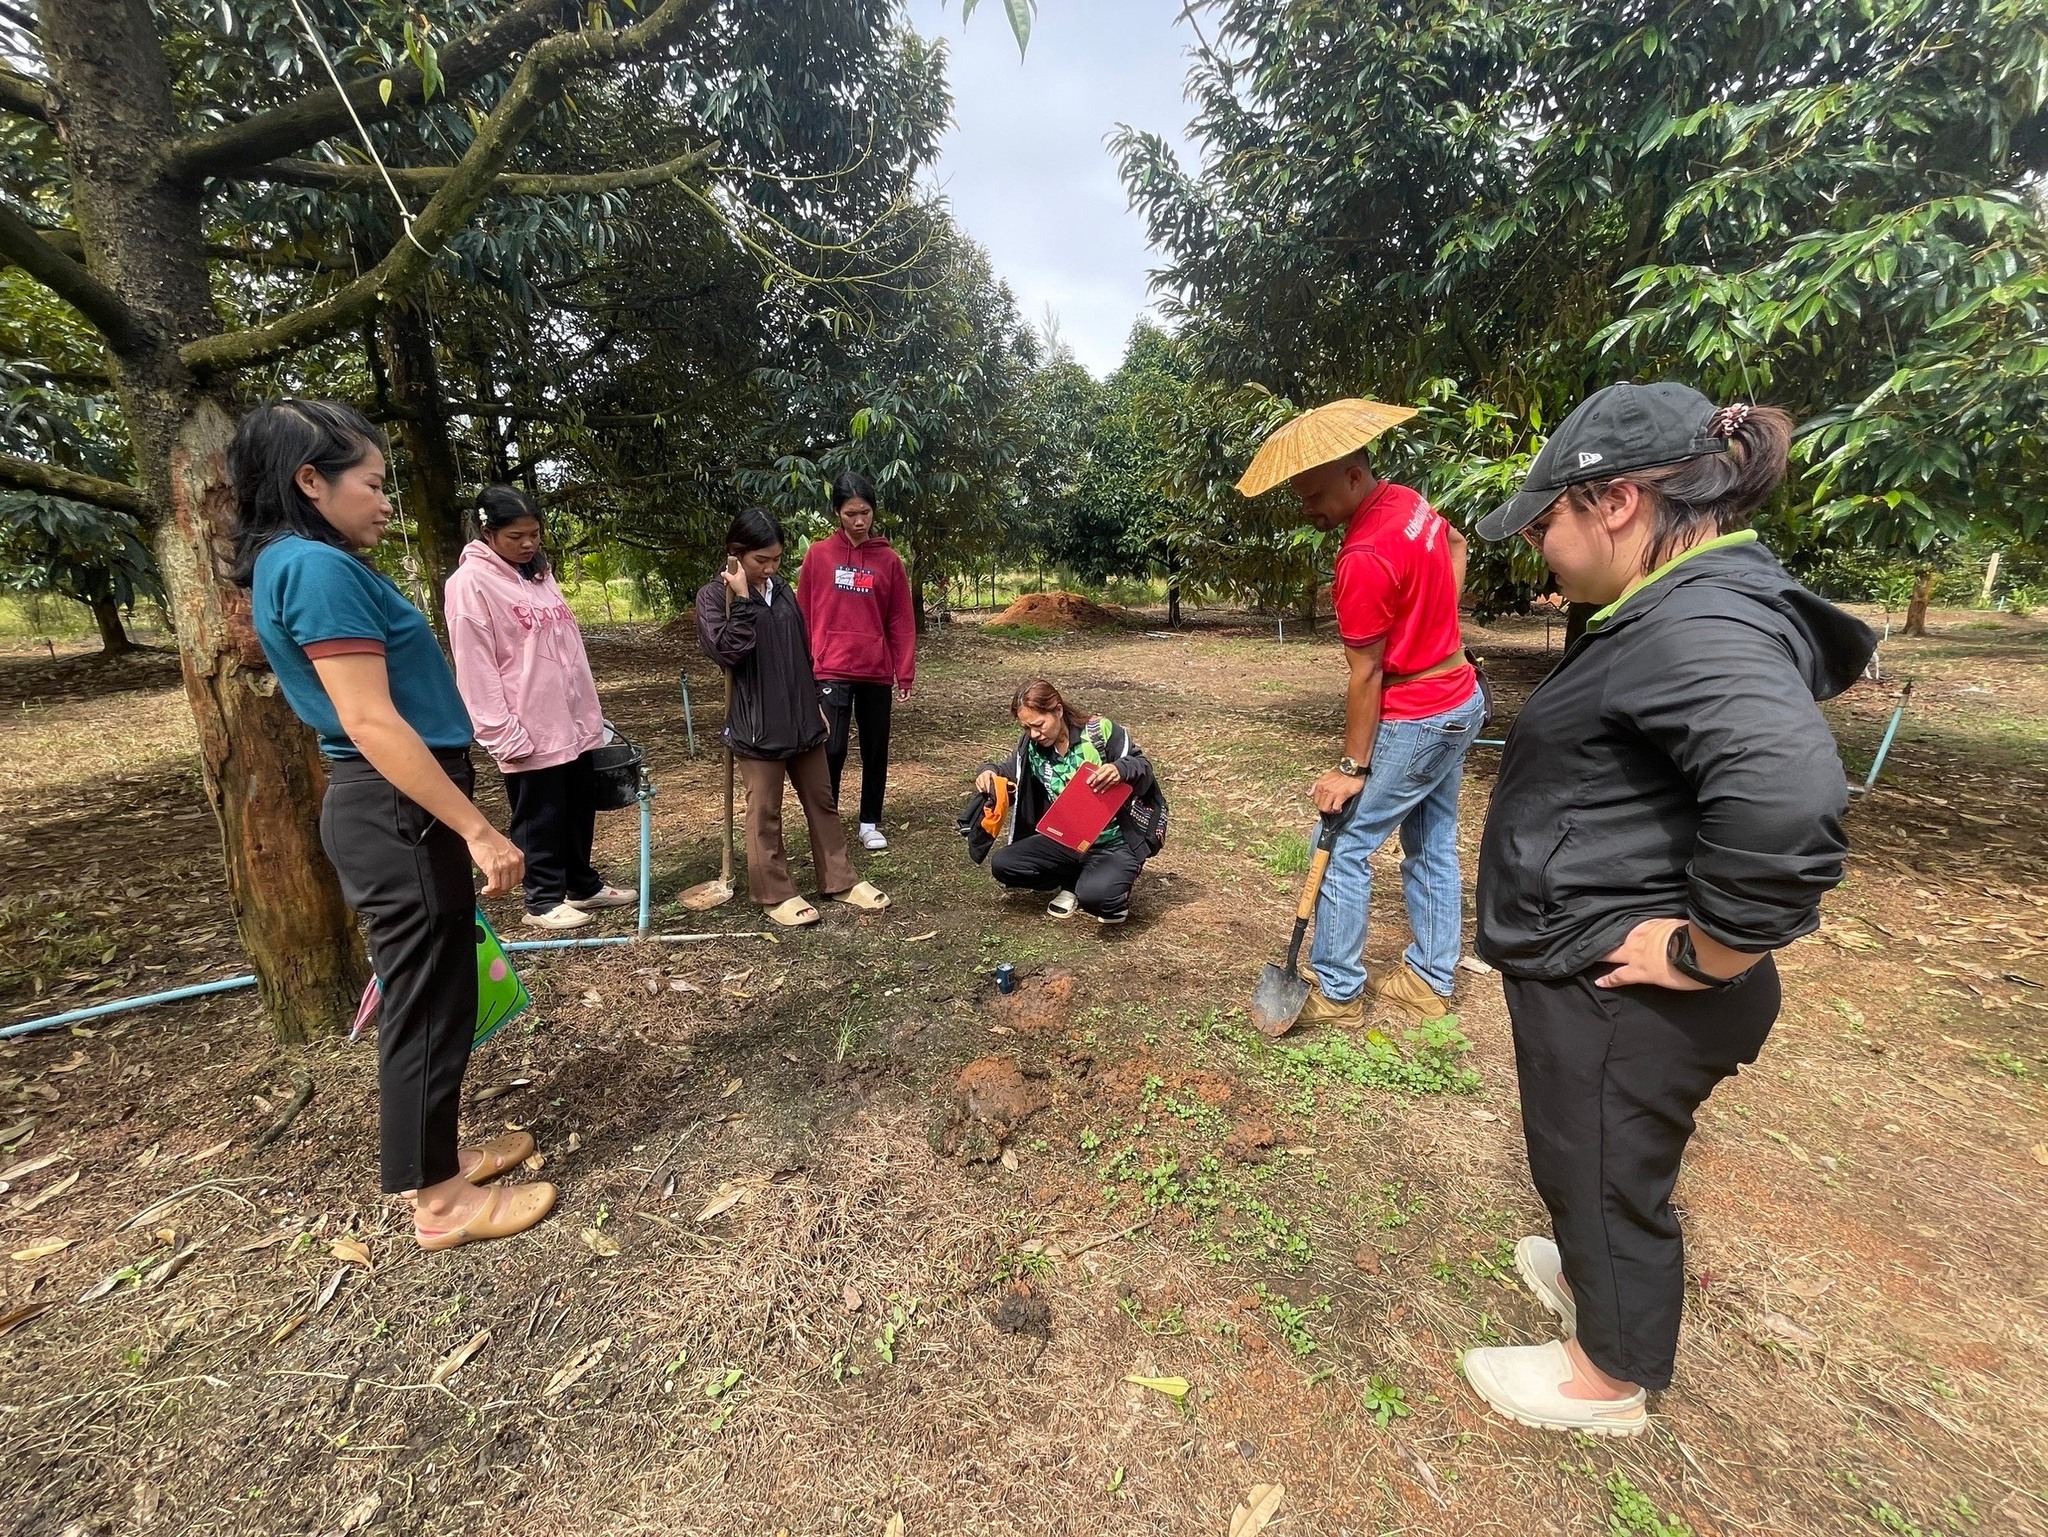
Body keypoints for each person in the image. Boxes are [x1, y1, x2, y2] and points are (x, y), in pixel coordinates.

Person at [1460, 382, 1875, 1436]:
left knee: (1599, 1161)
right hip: (1599, 959)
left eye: (1545, 517)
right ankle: (1598, 1282)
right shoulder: (1670, 603)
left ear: (1613, 502)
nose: (1537, 545)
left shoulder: (1695, 619)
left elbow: (1787, 797)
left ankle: (1606, 1374)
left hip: (1627, 990)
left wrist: (1706, 952)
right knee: (1592, 1153)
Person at [229, 400, 557, 1252]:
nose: (385, 502)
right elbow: (372, 722)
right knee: (421, 1003)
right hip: (398, 806)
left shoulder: (299, 563)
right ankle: (440, 1202)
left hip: (399, 805)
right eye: (370, 483)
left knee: (444, 990)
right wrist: (479, 830)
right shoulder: (315, 569)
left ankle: (439, 1159)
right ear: (310, 480)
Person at [1264, 409, 1484, 1028]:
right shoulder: (1409, 503)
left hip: (1419, 714)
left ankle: (1337, 990)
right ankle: (1432, 978)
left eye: (1315, 496)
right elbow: (1457, 544)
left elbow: (1366, 675)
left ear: (1354, 476)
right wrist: (1435, 619)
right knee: (1432, 840)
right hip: (1460, 695)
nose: (1308, 510)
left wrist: (1351, 769)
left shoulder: (1361, 556)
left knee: (1340, 841)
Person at [444, 485, 636, 931]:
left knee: (577, 803)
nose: (528, 543)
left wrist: (588, 712)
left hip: (570, 717)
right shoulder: (470, 584)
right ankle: (543, 898)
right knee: (540, 812)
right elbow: (476, 665)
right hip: (526, 723)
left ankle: (580, 884)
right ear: (487, 532)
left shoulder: (538, 574)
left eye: (535, 533)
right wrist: (500, 730)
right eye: (516, 536)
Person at [696, 507, 891, 927]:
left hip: (802, 715)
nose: (769, 568)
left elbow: (802, 650)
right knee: (764, 811)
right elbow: (728, 651)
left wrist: (815, 702)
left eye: (776, 559)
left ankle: (839, 879)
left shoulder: (781, 589)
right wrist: (744, 599)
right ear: (736, 554)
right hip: (756, 722)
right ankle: (775, 892)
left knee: (823, 803)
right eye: (759, 561)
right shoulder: (716, 597)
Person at [969, 679, 1167, 926]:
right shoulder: (1032, 746)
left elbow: (1143, 768)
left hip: (1115, 842)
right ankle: (1074, 881)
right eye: (1026, 728)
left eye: (1039, 725)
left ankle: (1102, 887)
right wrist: (988, 772)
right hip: (1067, 839)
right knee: (1005, 865)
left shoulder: (1100, 732)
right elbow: (1006, 770)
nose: (1034, 734)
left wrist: (1120, 769)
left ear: (1058, 710)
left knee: (1098, 900)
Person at [796, 470, 916, 850]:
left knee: (875, 747)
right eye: (850, 514)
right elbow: (804, 612)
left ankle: (869, 822)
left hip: (875, 671)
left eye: (865, 512)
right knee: (831, 750)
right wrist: (803, 665)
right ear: (837, 514)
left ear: (874, 511)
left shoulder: (889, 561)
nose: (859, 521)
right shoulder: (818, 555)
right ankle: (826, 824)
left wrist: (904, 672)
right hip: (830, 667)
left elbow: (900, 619)